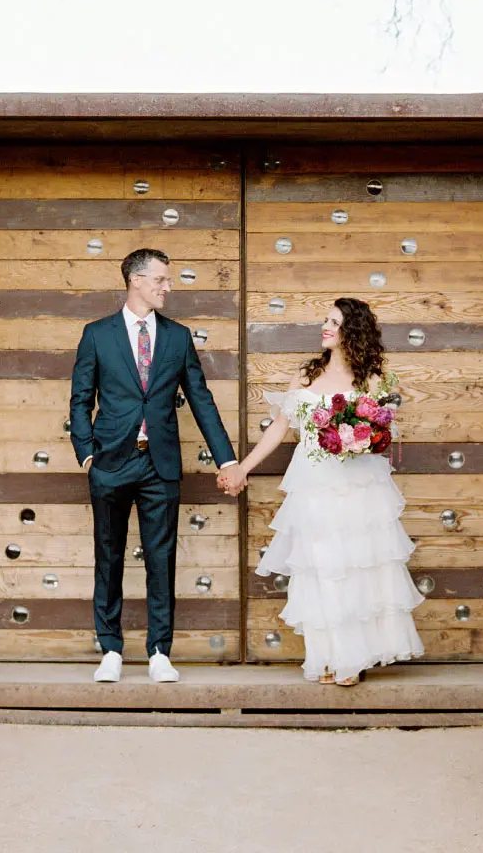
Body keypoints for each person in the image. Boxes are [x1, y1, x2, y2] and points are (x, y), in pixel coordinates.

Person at [218, 297, 424, 685]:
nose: (325, 327)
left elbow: (384, 432)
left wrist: (362, 438)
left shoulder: (372, 379)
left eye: (334, 322)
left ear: (353, 331)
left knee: (356, 567)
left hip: (359, 484)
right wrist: (242, 467)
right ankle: (329, 657)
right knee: (321, 568)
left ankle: (353, 659)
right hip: (315, 482)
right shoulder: (306, 376)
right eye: (325, 321)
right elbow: (279, 429)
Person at [70, 248, 245, 684]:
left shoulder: (178, 337)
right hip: (110, 463)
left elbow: (201, 400)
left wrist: (227, 458)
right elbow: (80, 398)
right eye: (162, 280)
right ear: (135, 280)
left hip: (160, 464)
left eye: (168, 281)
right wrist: (87, 452)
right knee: (107, 557)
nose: (168, 287)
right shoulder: (97, 334)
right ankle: (109, 648)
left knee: (161, 559)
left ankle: (159, 651)